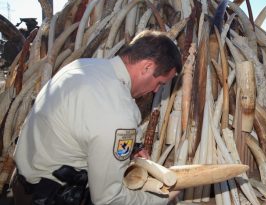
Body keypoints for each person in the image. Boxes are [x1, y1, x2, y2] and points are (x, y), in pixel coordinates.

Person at [13, 33, 182, 204]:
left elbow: (87, 124)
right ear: (147, 67)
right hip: (52, 197)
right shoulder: (117, 111)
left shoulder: (83, 66)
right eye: (160, 82)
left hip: (23, 186)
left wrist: (133, 147)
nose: (155, 90)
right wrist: (162, 197)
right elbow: (108, 199)